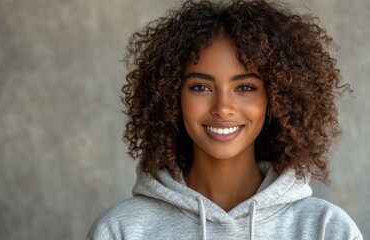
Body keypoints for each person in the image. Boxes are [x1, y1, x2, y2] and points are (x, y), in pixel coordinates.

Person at [87, 0, 362, 239]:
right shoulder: (121, 230)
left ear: (277, 99)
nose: (223, 108)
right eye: (200, 87)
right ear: (172, 97)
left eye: (245, 87)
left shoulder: (326, 230)